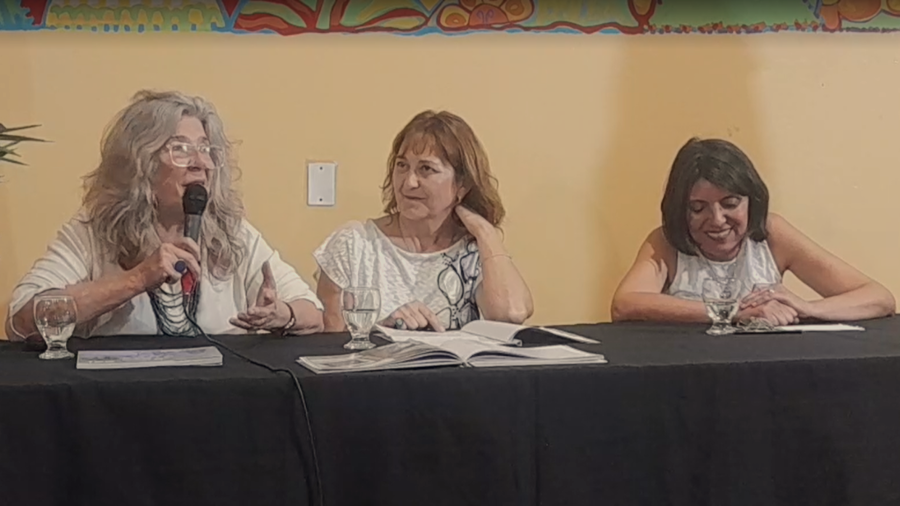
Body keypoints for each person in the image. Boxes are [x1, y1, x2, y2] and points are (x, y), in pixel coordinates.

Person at [5, 90, 324, 340]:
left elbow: (313, 312)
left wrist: (283, 314)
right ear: (140, 163)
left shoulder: (233, 231)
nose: (201, 162)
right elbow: (21, 320)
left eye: (206, 148)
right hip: (121, 403)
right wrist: (137, 279)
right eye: (181, 148)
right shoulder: (93, 232)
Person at [611, 137, 895, 326]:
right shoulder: (666, 240)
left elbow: (879, 298)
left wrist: (807, 307)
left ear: (752, 201)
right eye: (698, 208)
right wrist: (735, 311)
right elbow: (625, 305)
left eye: (730, 204)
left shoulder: (772, 233)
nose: (717, 220)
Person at [314, 110, 534, 332]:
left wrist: (486, 232)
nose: (409, 182)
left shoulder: (474, 252)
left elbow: (511, 314)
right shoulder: (353, 244)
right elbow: (328, 345)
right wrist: (381, 331)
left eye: (426, 169)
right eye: (402, 166)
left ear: (462, 184)